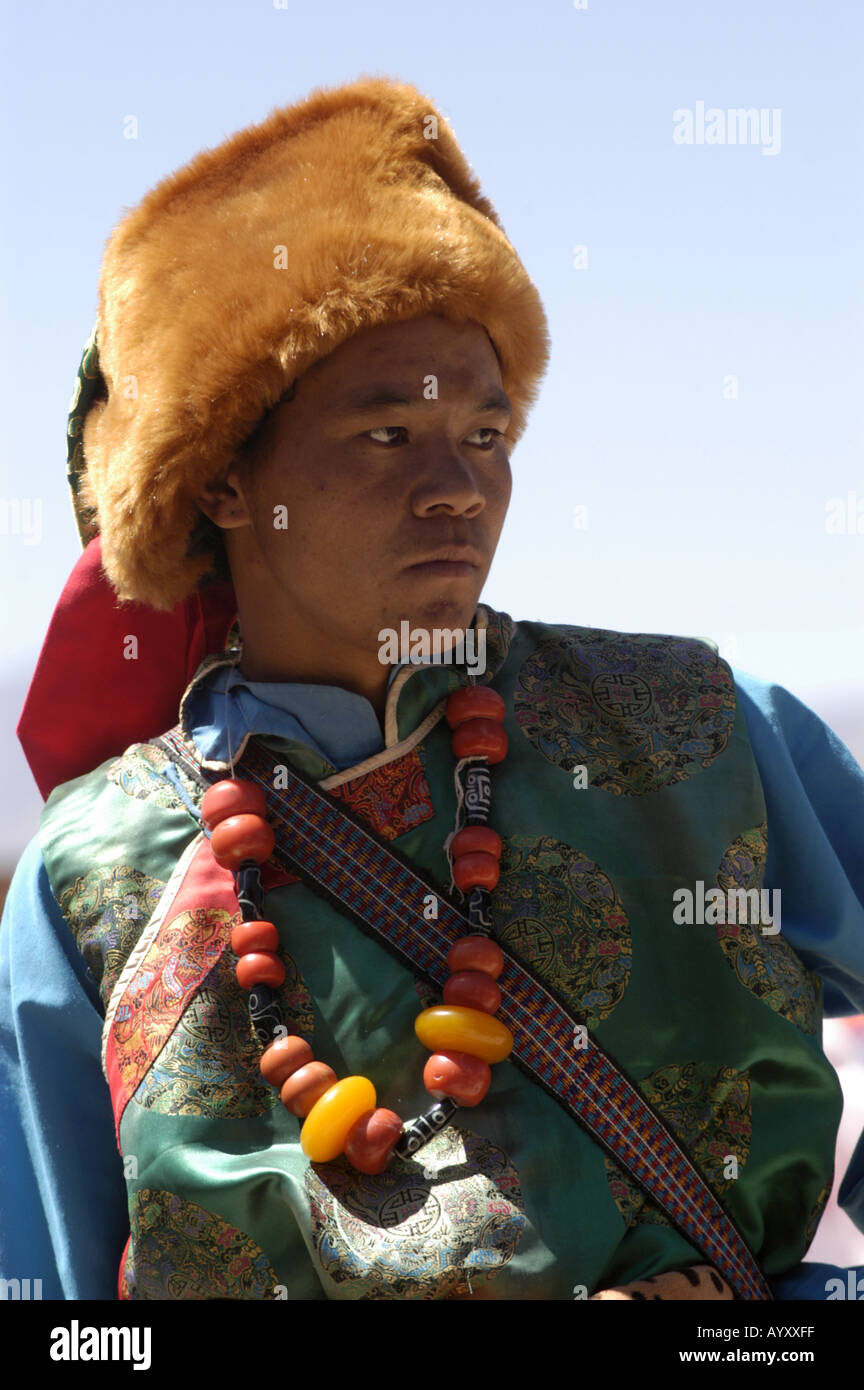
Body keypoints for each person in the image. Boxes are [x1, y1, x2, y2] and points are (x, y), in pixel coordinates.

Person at [1, 74, 863, 1303]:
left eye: (488, 432)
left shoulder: (703, 727)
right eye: (388, 434)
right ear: (228, 483)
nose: (460, 484)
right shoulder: (94, 874)